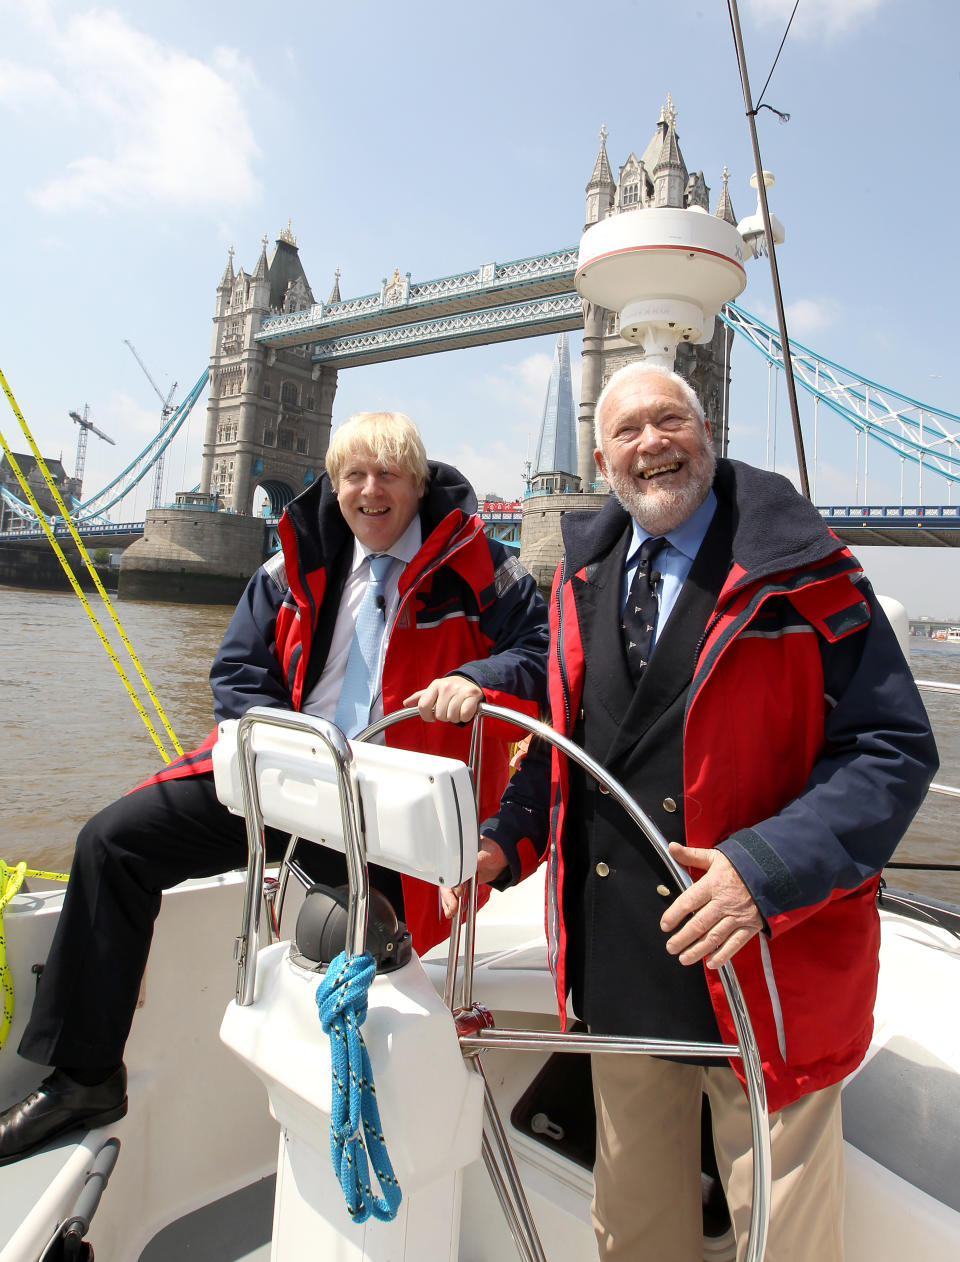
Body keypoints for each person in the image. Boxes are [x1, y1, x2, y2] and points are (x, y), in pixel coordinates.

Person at [467, 362, 939, 1260]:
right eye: (628, 431)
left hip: (767, 963)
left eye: (670, 420)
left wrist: (761, 873)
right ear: (600, 457)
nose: (652, 444)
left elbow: (894, 749)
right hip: (619, 968)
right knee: (632, 1229)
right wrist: (504, 843)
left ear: (707, 431)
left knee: (784, 1238)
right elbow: (568, 742)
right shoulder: (580, 579)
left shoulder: (808, 573)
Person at [0, 410, 548, 1166]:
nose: (369, 490)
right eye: (353, 474)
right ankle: (84, 1076)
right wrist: (279, 752)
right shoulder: (298, 555)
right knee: (112, 843)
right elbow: (236, 669)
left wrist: (476, 677)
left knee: (367, 949)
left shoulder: (480, 560)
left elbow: (546, 653)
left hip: (392, 800)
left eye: (388, 473)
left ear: (418, 485)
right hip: (289, 774)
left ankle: (368, 1128)